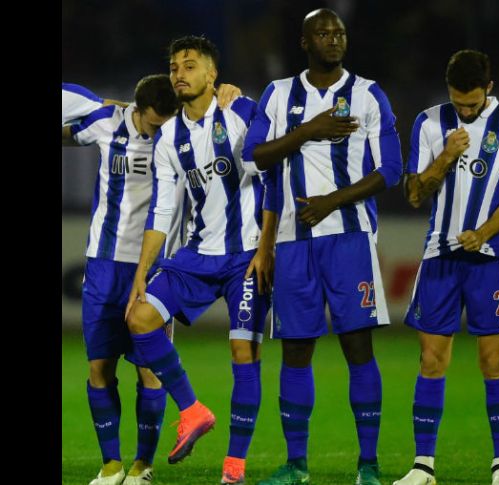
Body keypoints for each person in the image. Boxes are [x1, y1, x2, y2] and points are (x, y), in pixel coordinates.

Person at [242, 8, 402, 485]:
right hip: (292, 243)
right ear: (305, 41)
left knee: (357, 345)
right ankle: (296, 464)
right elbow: (254, 158)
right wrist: (308, 131)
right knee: (296, 350)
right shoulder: (278, 94)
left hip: (349, 239)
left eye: (339, 32)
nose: (333, 39)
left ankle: (368, 464)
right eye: (323, 33)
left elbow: (391, 170)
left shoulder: (369, 94)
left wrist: (333, 200)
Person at [123, 35, 275, 485]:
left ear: (212, 74)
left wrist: (267, 248)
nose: (179, 74)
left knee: (243, 351)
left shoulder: (242, 112)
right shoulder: (168, 135)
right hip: (196, 253)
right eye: (173, 67)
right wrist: (142, 271)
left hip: (246, 255)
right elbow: (163, 208)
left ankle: (234, 468)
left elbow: (270, 181)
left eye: (189, 66)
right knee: (140, 317)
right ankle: (192, 410)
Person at [394, 50, 499, 485]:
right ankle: (423, 466)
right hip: (440, 255)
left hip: (489, 258)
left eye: (472, 103)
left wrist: (485, 232)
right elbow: (414, 194)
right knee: (431, 358)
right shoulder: (430, 122)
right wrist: (445, 156)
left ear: (489, 89)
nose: (465, 110)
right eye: (458, 102)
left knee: (494, 360)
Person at [63, 75, 185, 485]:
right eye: (152, 123)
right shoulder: (104, 120)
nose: (158, 130)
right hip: (103, 264)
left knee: (149, 369)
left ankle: (142, 465)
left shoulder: (179, 132)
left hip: (153, 266)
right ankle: (111, 464)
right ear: (137, 110)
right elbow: (69, 130)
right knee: (99, 366)